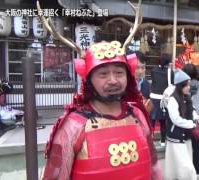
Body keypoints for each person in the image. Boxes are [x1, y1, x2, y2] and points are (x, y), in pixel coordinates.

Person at [42, 41, 162, 179]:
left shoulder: (137, 115)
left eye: (119, 73)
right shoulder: (74, 125)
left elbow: (154, 165)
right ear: (89, 80)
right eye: (103, 74)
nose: (112, 80)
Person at [164, 70, 199, 180]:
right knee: (186, 166)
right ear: (180, 86)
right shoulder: (173, 99)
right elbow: (175, 119)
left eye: (189, 84)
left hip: (186, 136)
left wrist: (196, 117)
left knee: (182, 162)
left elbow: (191, 110)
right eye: (187, 85)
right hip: (176, 136)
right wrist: (191, 124)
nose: (189, 87)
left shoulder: (187, 97)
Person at [183, 64, 199, 177]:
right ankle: (197, 169)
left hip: (186, 120)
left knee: (185, 145)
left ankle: (187, 169)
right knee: (198, 146)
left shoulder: (182, 87)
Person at [150, 54, 173, 146]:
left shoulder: (153, 70)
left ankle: (150, 139)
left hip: (153, 98)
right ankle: (163, 141)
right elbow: (172, 85)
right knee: (163, 121)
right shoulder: (170, 72)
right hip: (164, 99)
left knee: (152, 121)